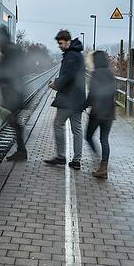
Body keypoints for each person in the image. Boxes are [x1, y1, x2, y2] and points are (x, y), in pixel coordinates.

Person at [45, 30, 86, 169]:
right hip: (78, 98)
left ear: (68, 41)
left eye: (61, 43)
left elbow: (68, 76)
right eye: (58, 43)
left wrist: (55, 83)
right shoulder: (77, 54)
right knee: (77, 129)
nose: (59, 46)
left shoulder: (71, 55)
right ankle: (76, 160)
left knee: (58, 124)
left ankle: (61, 156)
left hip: (69, 98)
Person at [0, 26, 27, 161]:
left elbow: (9, 73)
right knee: (13, 122)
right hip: (15, 92)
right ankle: (21, 150)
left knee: (12, 121)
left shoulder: (9, 51)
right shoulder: (12, 49)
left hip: (13, 94)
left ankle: (22, 151)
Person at [84, 50, 116, 179]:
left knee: (88, 136)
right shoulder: (110, 74)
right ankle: (103, 167)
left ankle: (98, 159)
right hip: (109, 112)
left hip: (97, 112)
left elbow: (93, 94)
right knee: (104, 139)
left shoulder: (96, 73)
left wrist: (83, 105)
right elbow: (114, 92)